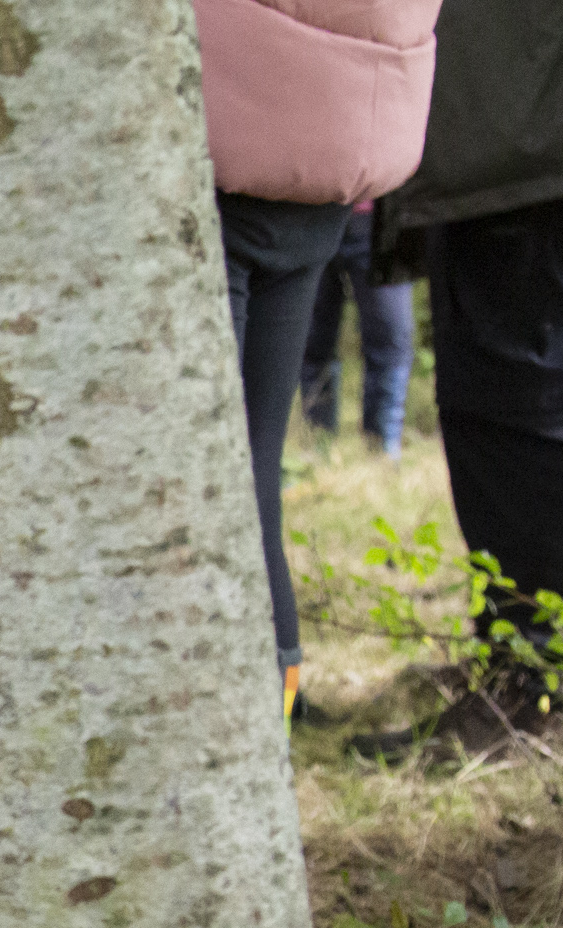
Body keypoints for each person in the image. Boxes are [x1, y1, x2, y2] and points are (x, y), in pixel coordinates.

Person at [190, 0, 439, 714]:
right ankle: (278, 682)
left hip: (227, 123)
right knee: (251, 454)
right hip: (340, 136)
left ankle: (247, 696)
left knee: (211, 462)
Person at [369, 0, 563, 752]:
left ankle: (541, 690)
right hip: (524, 101)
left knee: (526, 394)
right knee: (515, 390)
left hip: (536, 110)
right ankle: (530, 668)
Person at [299, 204, 414, 455]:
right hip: (312, 212)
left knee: (391, 336)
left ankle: (383, 451)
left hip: (380, 216)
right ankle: (317, 445)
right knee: (310, 340)